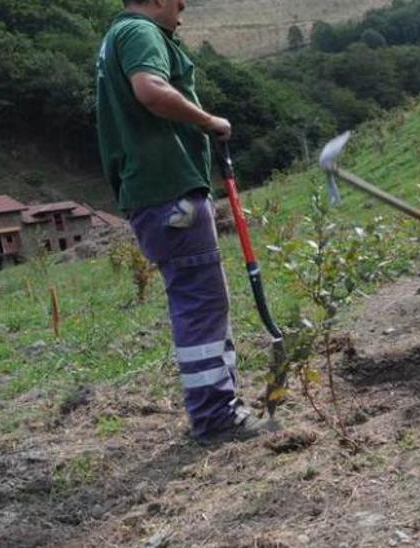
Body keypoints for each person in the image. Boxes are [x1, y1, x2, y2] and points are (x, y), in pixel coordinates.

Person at [95, 0, 264, 442]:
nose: (184, 4)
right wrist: (208, 121)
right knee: (201, 303)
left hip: (155, 193)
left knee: (201, 299)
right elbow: (150, 89)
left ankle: (218, 405)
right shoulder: (139, 33)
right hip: (169, 191)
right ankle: (215, 417)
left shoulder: (118, 36)